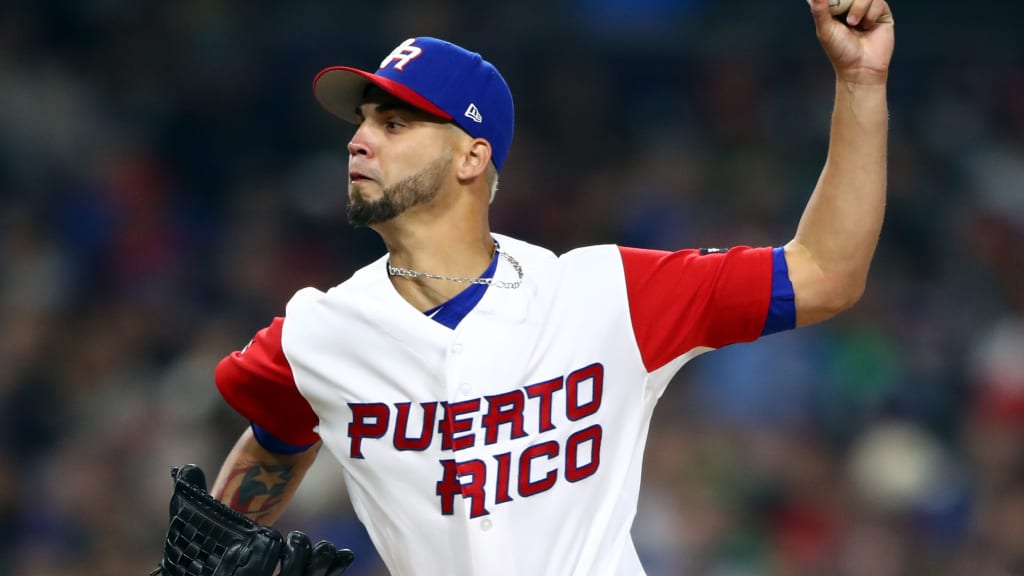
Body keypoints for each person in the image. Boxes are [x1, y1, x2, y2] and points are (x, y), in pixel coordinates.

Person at [207, 1, 895, 574]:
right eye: (360, 122)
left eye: (393, 123)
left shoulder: (607, 292)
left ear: (472, 156)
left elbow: (826, 273)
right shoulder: (318, 334)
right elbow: (275, 435)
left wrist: (861, 84)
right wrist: (213, 550)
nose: (359, 141)